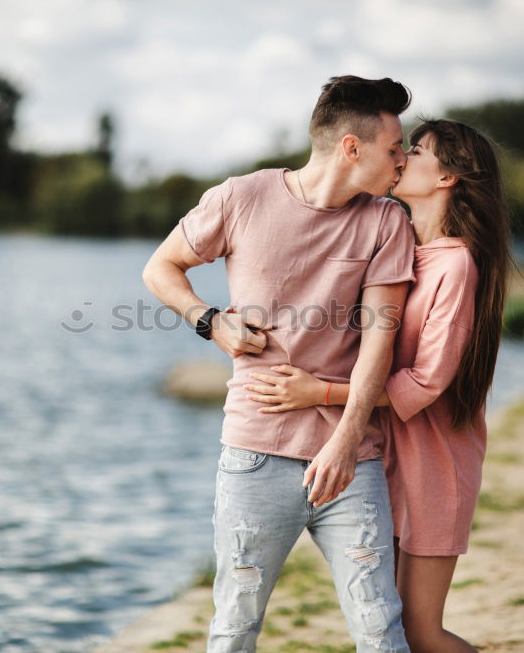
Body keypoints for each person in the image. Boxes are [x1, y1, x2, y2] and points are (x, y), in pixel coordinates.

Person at [142, 76, 418, 652]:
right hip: (255, 455)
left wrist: (344, 442)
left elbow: (378, 345)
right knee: (235, 624)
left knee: (380, 625)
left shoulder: (386, 220)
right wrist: (209, 320)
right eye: (394, 148)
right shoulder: (241, 197)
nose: (403, 160)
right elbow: (161, 268)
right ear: (351, 146)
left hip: (353, 458)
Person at [244, 119, 510, 652]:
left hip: (435, 464)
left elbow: (426, 381)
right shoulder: (402, 246)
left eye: (417, 150)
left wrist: (318, 392)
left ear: (448, 177)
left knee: (421, 632)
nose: (403, 157)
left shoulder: (455, 265)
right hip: (383, 457)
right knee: (385, 625)